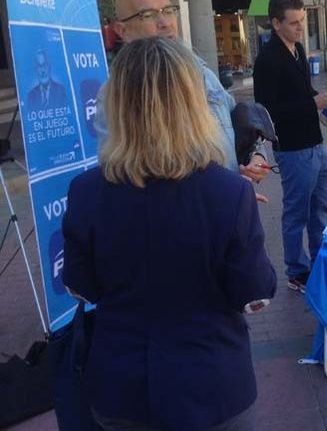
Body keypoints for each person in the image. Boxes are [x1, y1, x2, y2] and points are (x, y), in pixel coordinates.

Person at [63, 37, 277, 431]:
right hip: (212, 385)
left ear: (116, 104)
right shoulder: (229, 192)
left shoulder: (86, 191)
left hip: (121, 387)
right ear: (192, 104)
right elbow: (253, 293)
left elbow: (82, 287)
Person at [95, 0, 270, 186]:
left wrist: (256, 157)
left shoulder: (203, 73)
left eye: (169, 11)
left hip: (229, 204)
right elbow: (126, 174)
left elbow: (240, 124)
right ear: (122, 30)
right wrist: (223, 194)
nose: (165, 22)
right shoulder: (116, 95)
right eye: (149, 15)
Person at [253, 0, 327, 294]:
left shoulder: (298, 50)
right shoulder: (268, 60)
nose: (301, 27)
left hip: (314, 143)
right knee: (296, 212)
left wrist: (321, 99)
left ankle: (319, 260)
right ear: (276, 23)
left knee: (319, 208)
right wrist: (312, 104)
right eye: (294, 22)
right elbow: (267, 111)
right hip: (292, 148)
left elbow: (302, 92)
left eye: (303, 20)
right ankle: (296, 271)